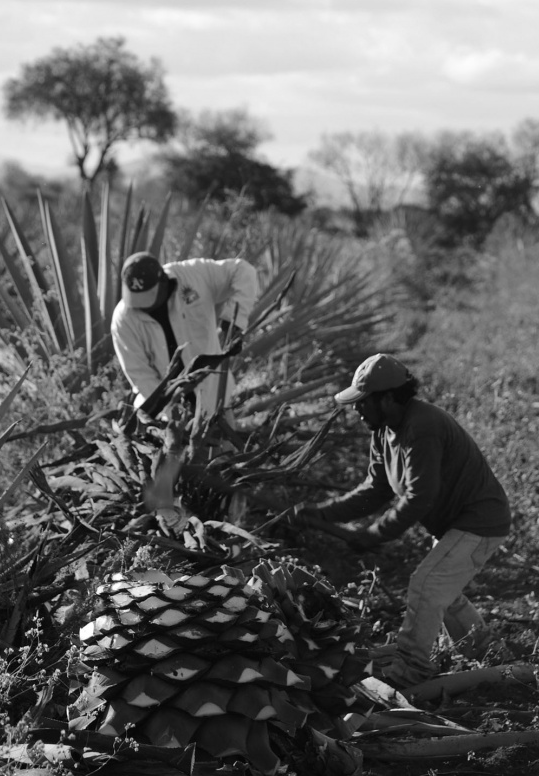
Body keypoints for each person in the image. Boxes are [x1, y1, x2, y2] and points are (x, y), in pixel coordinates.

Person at [301, 352, 511, 689]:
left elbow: (418, 497)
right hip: (454, 525)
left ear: (387, 399)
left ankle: (412, 668)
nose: (357, 410)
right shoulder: (383, 432)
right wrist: (321, 513)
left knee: (426, 585)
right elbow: (375, 490)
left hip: (478, 522)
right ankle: (490, 654)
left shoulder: (422, 426)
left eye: (362, 402)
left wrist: (373, 534)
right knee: (444, 591)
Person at [111, 251, 258, 423]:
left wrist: (234, 319)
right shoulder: (123, 320)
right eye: (135, 299)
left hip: (214, 398)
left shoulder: (193, 276)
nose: (141, 306)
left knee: (226, 447)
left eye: (147, 299)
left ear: (164, 282)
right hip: (165, 418)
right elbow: (141, 375)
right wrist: (171, 410)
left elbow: (243, 271)